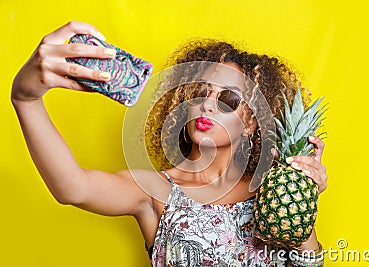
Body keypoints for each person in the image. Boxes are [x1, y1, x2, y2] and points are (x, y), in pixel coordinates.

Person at [12, 21, 328, 267]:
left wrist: (303, 201)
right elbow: (73, 188)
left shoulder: (271, 190)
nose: (207, 105)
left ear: (250, 123)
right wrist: (26, 98)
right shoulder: (155, 191)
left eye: (228, 99)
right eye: (199, 92)